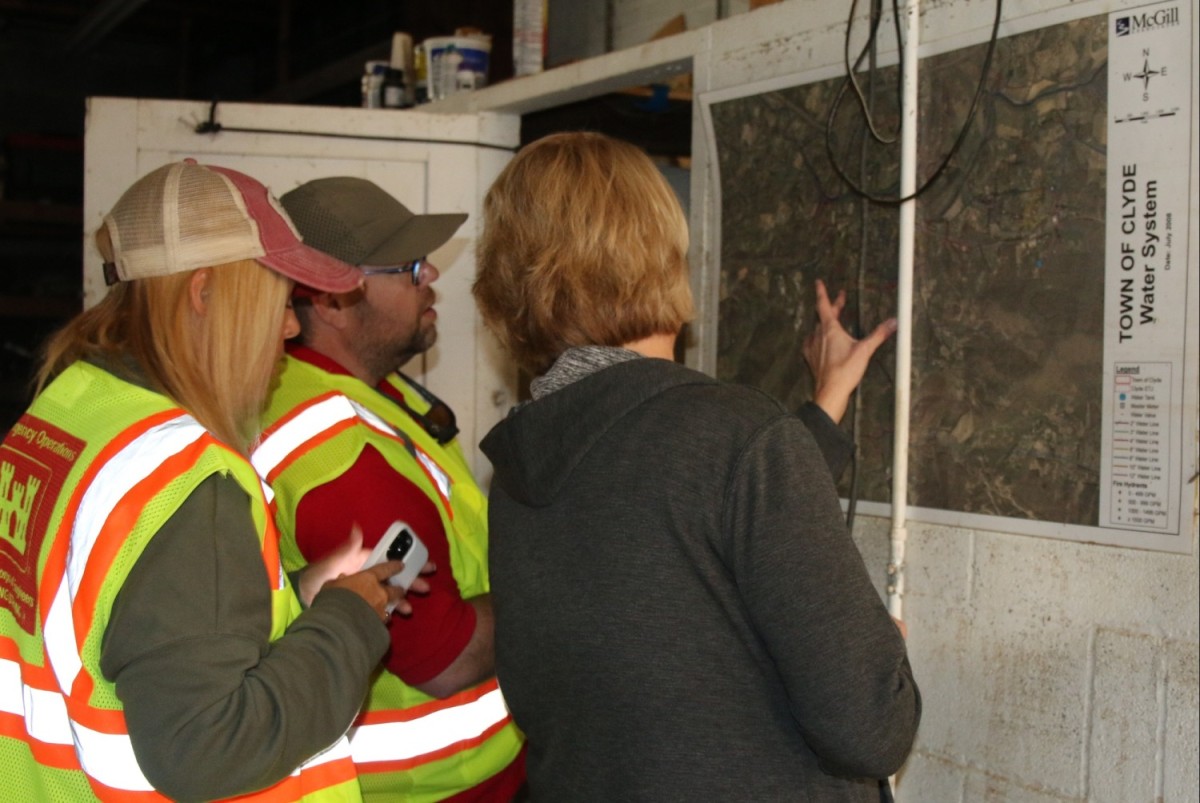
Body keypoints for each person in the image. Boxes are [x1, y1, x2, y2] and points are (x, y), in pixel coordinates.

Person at [472, 131, 921, 801]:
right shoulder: (736, 440)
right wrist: (876, 654)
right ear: (660, 251)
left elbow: (674, 537)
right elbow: (869, 729)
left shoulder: (519, 470)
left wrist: (822, 408)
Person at [0, 160, 430, 801]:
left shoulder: (68, 413)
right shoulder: (187, 481)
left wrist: (289, 598)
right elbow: (207, 747)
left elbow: (109, 633)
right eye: (281, 300)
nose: (290, 328)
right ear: (203, 293)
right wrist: (348, 619)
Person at [250, 177, 525, 801]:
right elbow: (444, 657)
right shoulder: (342, 458)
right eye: (406, 267)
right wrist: (565, 584)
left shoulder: (359, 390)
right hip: (425, 788)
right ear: (329, 299)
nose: (430, 274)